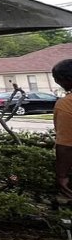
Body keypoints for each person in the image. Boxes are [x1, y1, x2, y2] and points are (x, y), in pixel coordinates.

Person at [51, 59, 72, 199]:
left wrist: (62, 175)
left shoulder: (66, 105)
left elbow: (65, 146)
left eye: (57, 79)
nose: (57, 82)